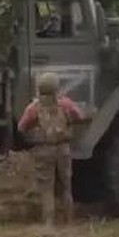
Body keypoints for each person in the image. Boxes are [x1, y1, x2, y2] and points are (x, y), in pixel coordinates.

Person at [17, 72, 84, 225]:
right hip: (63, 149)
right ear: (56, 87)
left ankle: (49, 223)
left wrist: (35, 127)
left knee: (46, 187)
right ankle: (68, 220)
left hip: (43, 150)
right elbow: (79, 116)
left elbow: (21, 127)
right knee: (66, 186)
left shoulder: (34, 107)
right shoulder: (65, 103)